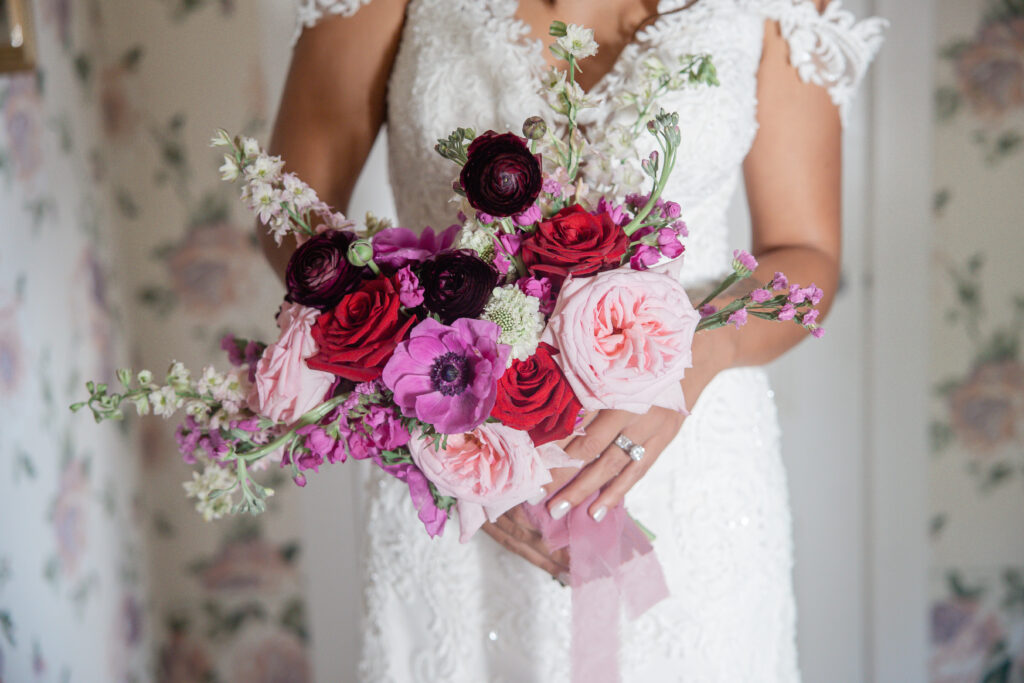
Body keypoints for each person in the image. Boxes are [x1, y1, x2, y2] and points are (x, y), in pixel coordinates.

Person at [264, 0, 885, 679]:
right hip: (458, 455)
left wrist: (699, 355)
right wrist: (435, 399)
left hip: (689, 466)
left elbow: (805, 254)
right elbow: (290, 215)